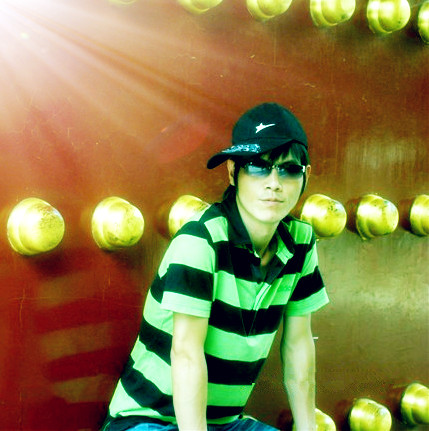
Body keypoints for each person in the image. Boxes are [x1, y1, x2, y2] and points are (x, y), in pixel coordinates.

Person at [102, 103, 329, 431]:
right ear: (233, 172)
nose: (274, 183)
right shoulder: (201, 240)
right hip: (149, 420)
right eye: (258, 166)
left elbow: (298, 346)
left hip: (223, 424)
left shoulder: (301, 242)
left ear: (306, 175)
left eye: (289, 169)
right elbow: (186, 354)